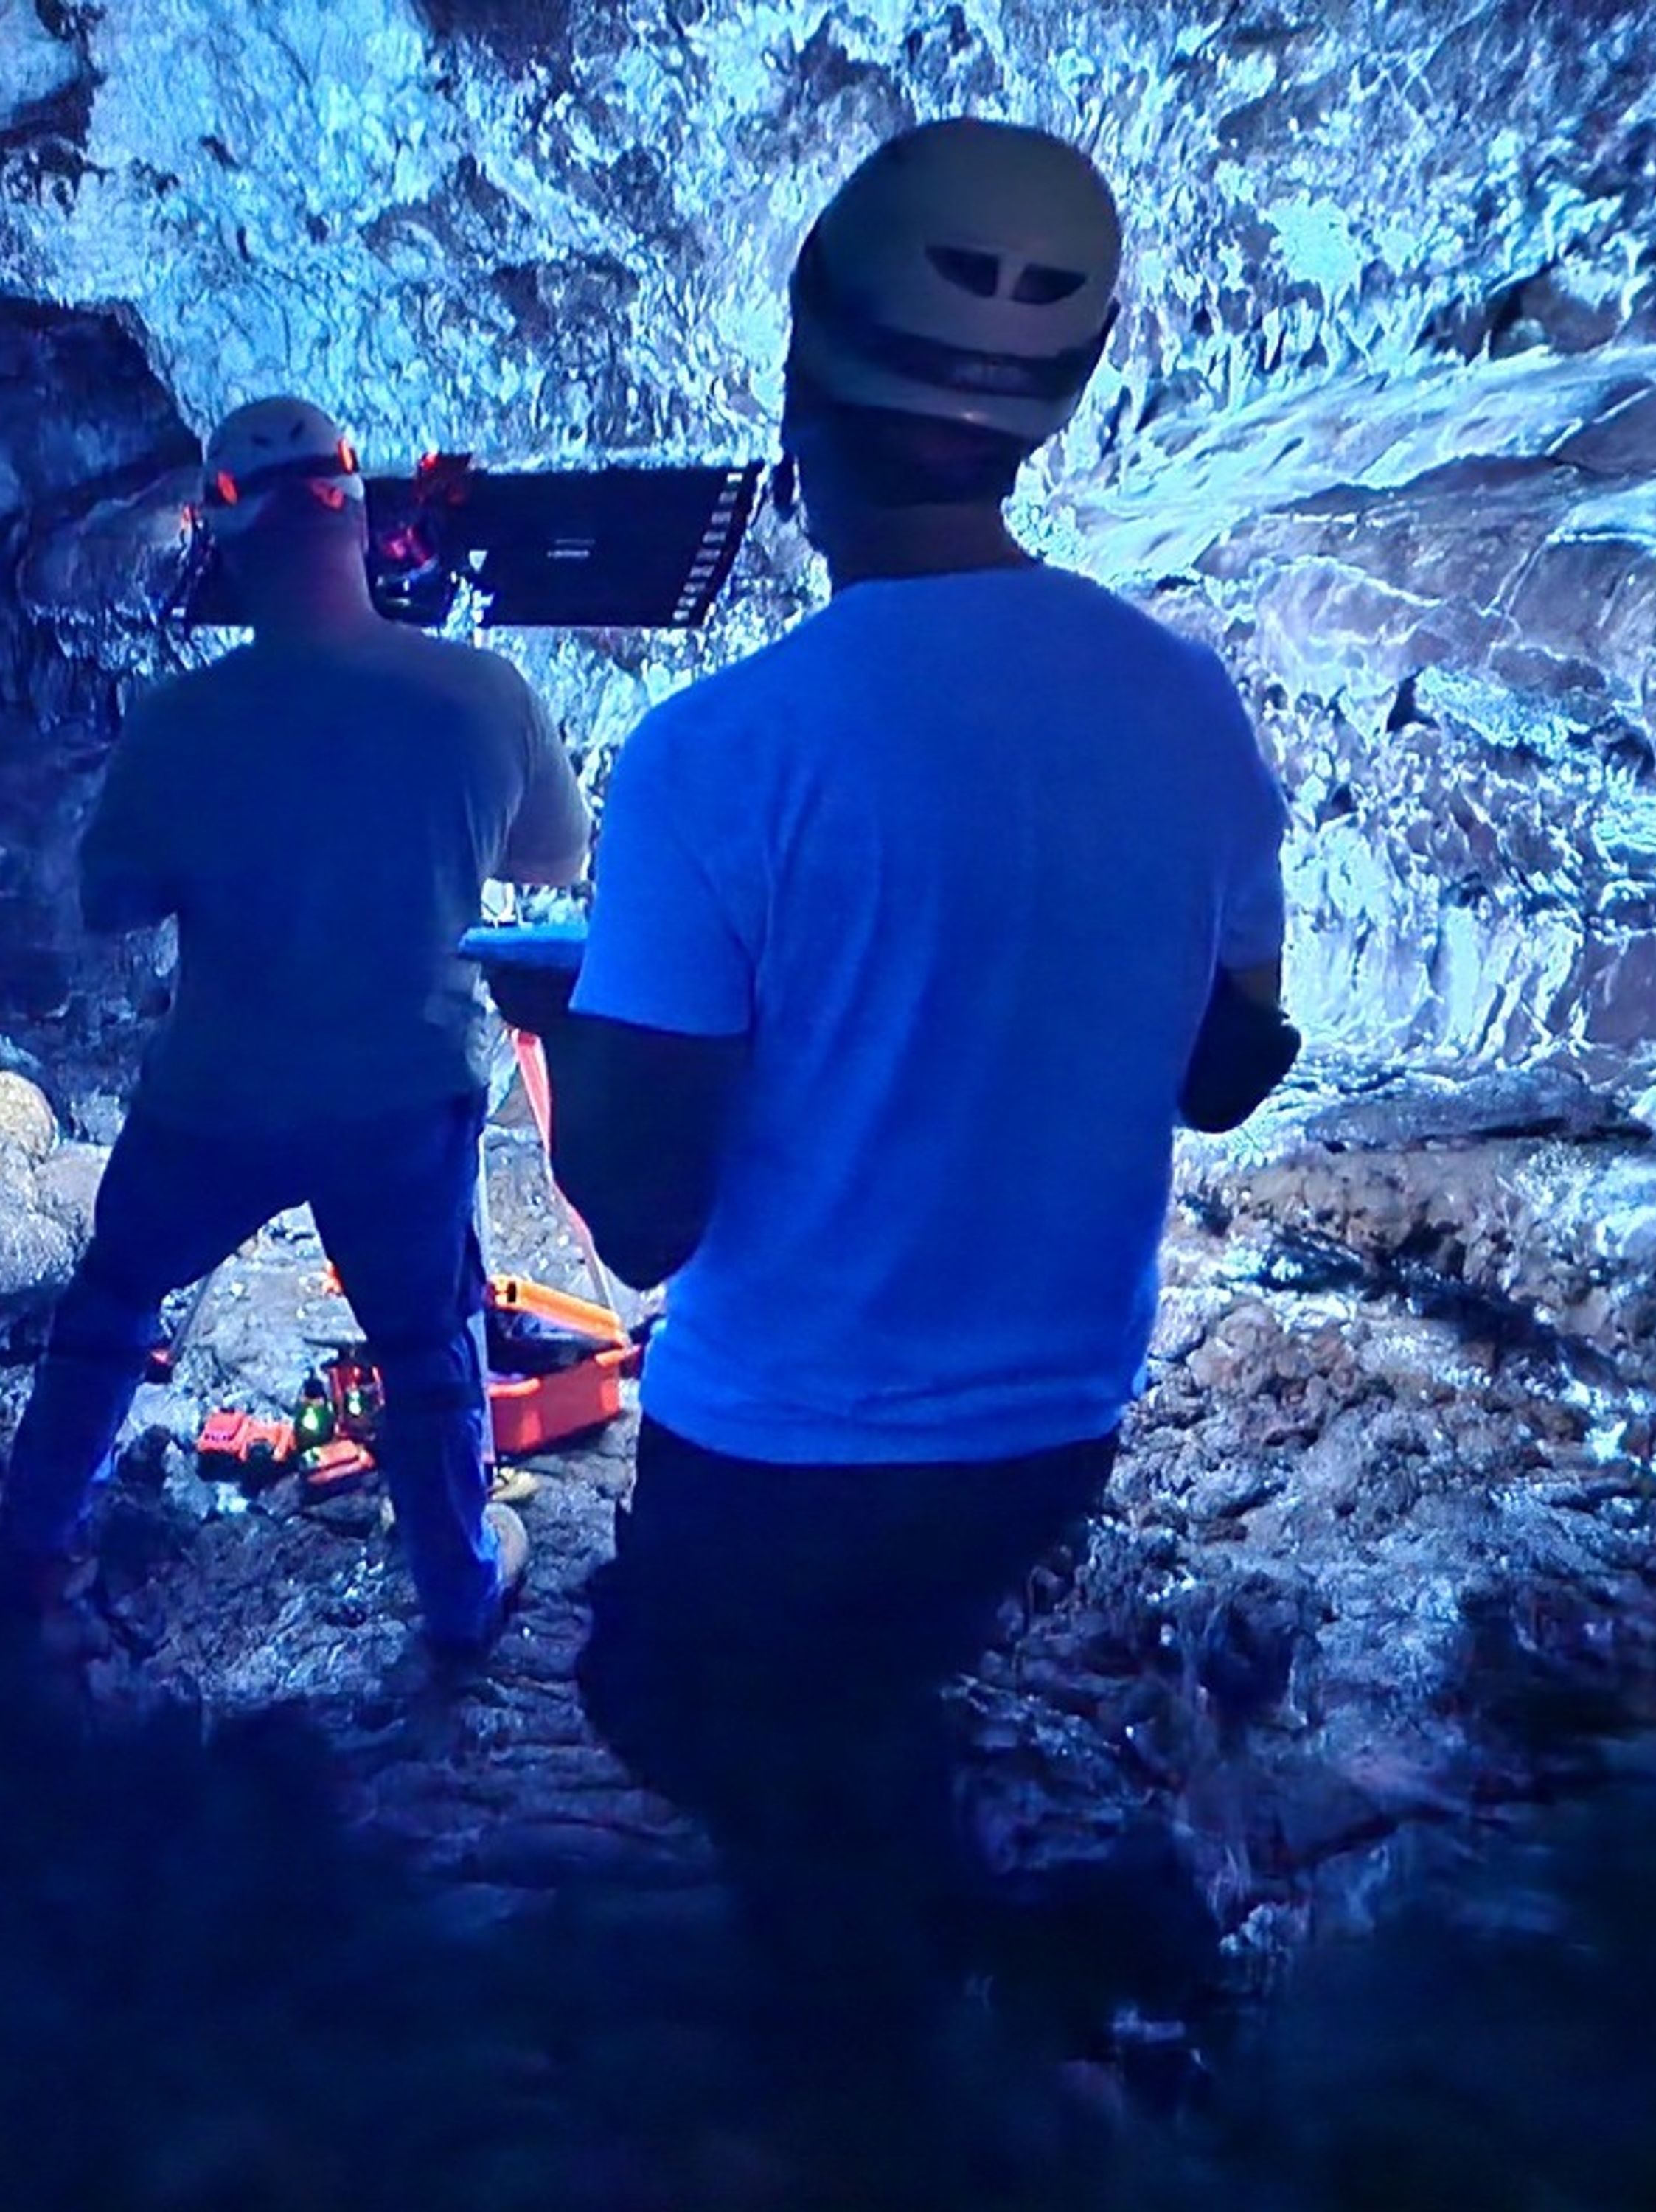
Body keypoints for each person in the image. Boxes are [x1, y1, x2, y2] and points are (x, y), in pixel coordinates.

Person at [487, 120, 1300, 2069]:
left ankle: (923, 2043)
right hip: (1054, 1422)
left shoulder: (719, 754)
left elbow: (643, 1215)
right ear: (1053, 405)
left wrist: (566, 1022)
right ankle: (980, 1944)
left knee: (675, 1707)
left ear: (799, 376)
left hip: (786, 1451)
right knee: (862, 1701)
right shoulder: (1184, 699)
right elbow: (1227, 1072)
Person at [0, 395, 593, 1658]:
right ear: (361, 514)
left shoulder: (181, 722)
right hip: (405, 1091)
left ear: (227, 533)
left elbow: (113, 903)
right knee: (429, 1349)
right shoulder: (479, 693)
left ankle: (31, 1551)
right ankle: (460, 1595)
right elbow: (555, 860)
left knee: (109, 1307)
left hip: (217, 1090)